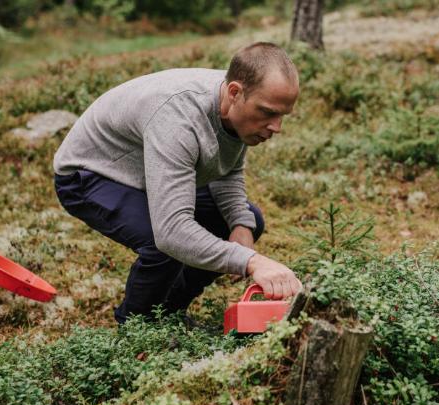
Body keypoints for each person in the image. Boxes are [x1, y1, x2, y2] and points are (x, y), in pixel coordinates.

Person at [53, 42, 303, 324]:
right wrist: (251, 261)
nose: (277, 127)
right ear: (234, 92)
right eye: (268, 112)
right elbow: (171, 232)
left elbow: (225, 168)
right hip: (91, 174)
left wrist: (240, 224)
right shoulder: (179, 119)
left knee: (249, 218)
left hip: (151, 170)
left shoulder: (238, 101)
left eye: (283, 115)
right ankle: (137, 330)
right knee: (163, 246)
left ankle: (168, 310)